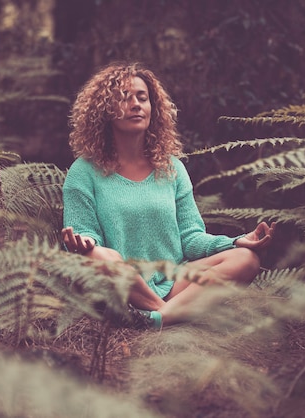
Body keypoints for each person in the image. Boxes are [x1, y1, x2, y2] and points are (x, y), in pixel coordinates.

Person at [61, 62, 275, 329]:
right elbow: (84, 236)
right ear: (104, 110)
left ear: (154, 108)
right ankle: (165, 312)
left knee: (245, 259)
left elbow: (190, 238)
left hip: (171, 281)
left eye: (143, 97)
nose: (137, 104)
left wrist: (237, 241)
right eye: (125, 98)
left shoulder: (171, 168)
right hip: (118, 287)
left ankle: (153, 319)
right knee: (100, 257)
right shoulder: (83, 172)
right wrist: (85, 243)